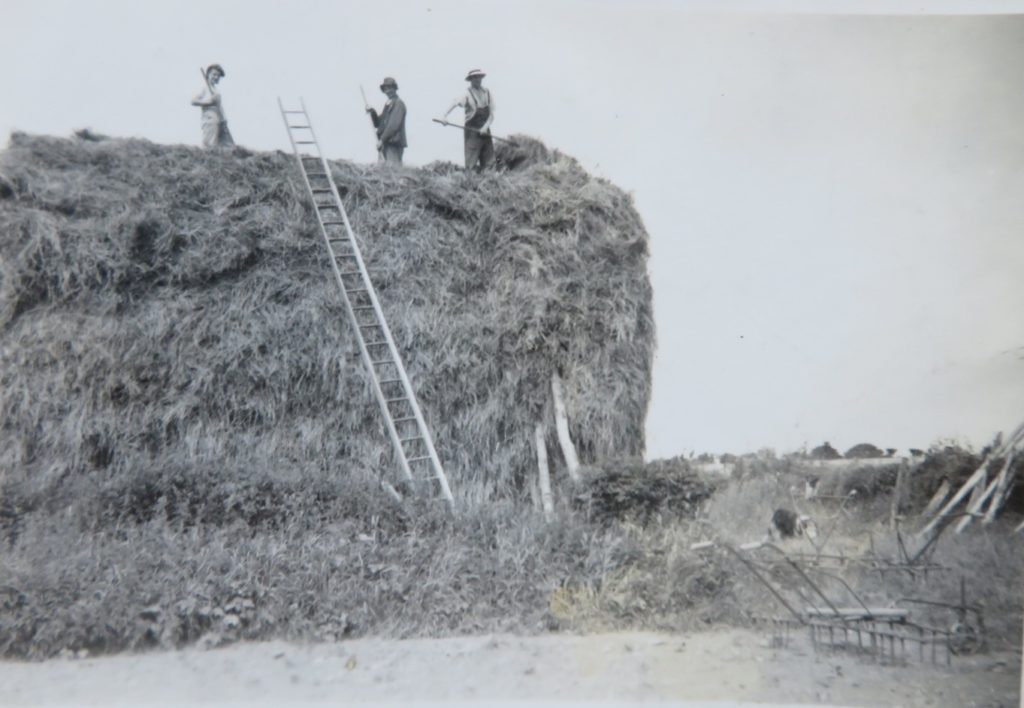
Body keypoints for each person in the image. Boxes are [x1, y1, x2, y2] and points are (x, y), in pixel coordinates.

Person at [444, 69, 494, 171]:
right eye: (475, 77)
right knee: (471, 161)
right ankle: (470, 181)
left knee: (489, 161)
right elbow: (455, 103)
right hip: (472, 131)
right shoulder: (467, 93)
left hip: (486, 130)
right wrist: (444, 116)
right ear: (470, 80)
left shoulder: (487, 92)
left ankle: (490, 180)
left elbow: (491, 115)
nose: (477, 80)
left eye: (479, 77)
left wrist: (485, 127)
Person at [366, 77, 407, 165]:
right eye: (385, 89)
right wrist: (372, 112)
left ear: (395, 88)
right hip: (386, 144)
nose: (388, 91)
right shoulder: (388, 104)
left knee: (393, 170)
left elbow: (393, 125)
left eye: (390, 88)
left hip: (393, 144)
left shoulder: (398, 104)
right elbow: (379, 124)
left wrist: (382, 139)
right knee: (383, 170)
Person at [191, 64, 234, 148]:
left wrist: (224, 119)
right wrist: (208, 102)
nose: (216, 77)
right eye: (214, 74)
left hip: (219, 119)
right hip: (210, 119)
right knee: (210, 144)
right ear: (208, 75)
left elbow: (220, 107)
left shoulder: (215, 90)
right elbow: (193, 101)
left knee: (227, 144)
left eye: (218, 75)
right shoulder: (204, 88)